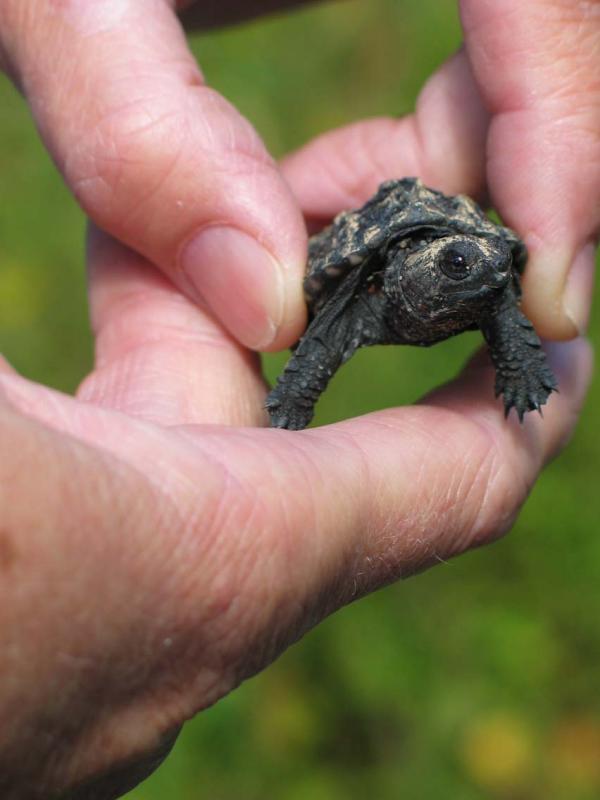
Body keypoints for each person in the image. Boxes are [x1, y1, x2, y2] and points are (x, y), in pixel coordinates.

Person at [0, 1, 597, 797]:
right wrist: (290, 413)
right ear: (411, 267)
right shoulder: (376, 282)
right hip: (361, 263)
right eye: (459, 264)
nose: (485, 273)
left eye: (491, 264)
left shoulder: (483, 277)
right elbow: (318, 345)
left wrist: (521, 364)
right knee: (309, 350)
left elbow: (501, 303)